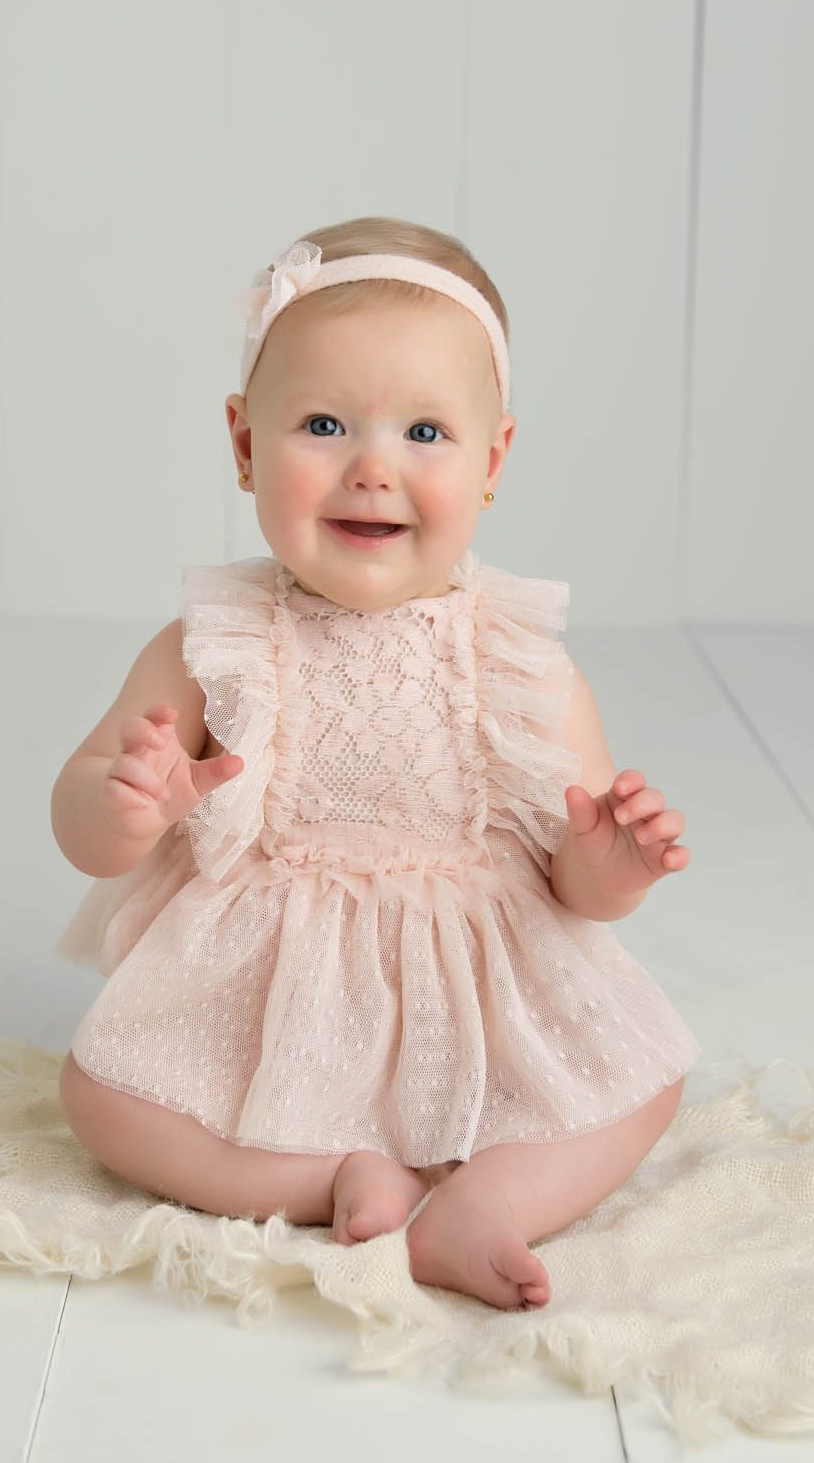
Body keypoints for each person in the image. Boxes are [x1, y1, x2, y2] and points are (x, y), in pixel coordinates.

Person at [48, 216, 702, 1311]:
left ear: (492, 461)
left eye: (425, 435)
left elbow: (578, 896)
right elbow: (79, 828)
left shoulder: (521, 662)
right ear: (243, 443)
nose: (371, 469)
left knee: (641, 1085)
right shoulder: (211, 646)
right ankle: (332, 1175)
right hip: (269, 985)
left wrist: (611, 865)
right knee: (101, 1099)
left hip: (476, 990)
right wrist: (126, 802)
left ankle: (485, 1201)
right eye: (321, 423)